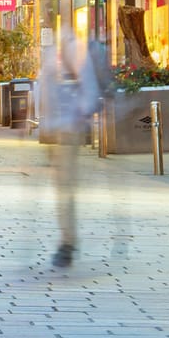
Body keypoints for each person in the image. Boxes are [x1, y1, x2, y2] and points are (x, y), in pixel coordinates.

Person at [36, 26, 107, 268]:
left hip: (68, 135)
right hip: (59, 133)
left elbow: (89, 96)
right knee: (63, 190)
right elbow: (44, 96)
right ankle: (68, 239)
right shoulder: (53, 62)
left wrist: (74, 118)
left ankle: (68, 241)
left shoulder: (75, 60)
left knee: (65, 190)